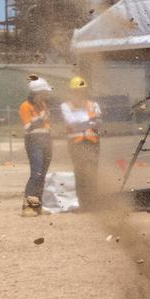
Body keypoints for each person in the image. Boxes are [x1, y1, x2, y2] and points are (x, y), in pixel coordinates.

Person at [59, 76, 101, 210]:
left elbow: (98, 122)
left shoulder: (93, 104)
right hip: (76, 143)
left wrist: (81, 121)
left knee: (92, 172)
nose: (79, 94)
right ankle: (83, 203)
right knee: (80, 172)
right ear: (72, 92)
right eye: (76, 91)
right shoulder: (66, 106)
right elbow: (71, 121)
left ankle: (93, 202)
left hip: (93, 142)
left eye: (81, 91)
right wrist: (89, 118)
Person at [19, 76, 54, 217]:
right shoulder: (25, 106)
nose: (45, 95)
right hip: (34, 142)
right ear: (36, 93)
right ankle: (28, 207)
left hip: (46, 140)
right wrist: (40, 118)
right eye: (43, 93)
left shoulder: (43, 105)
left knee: (42, 175)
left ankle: (37, 206)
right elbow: (27, 126)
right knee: (36, 174)